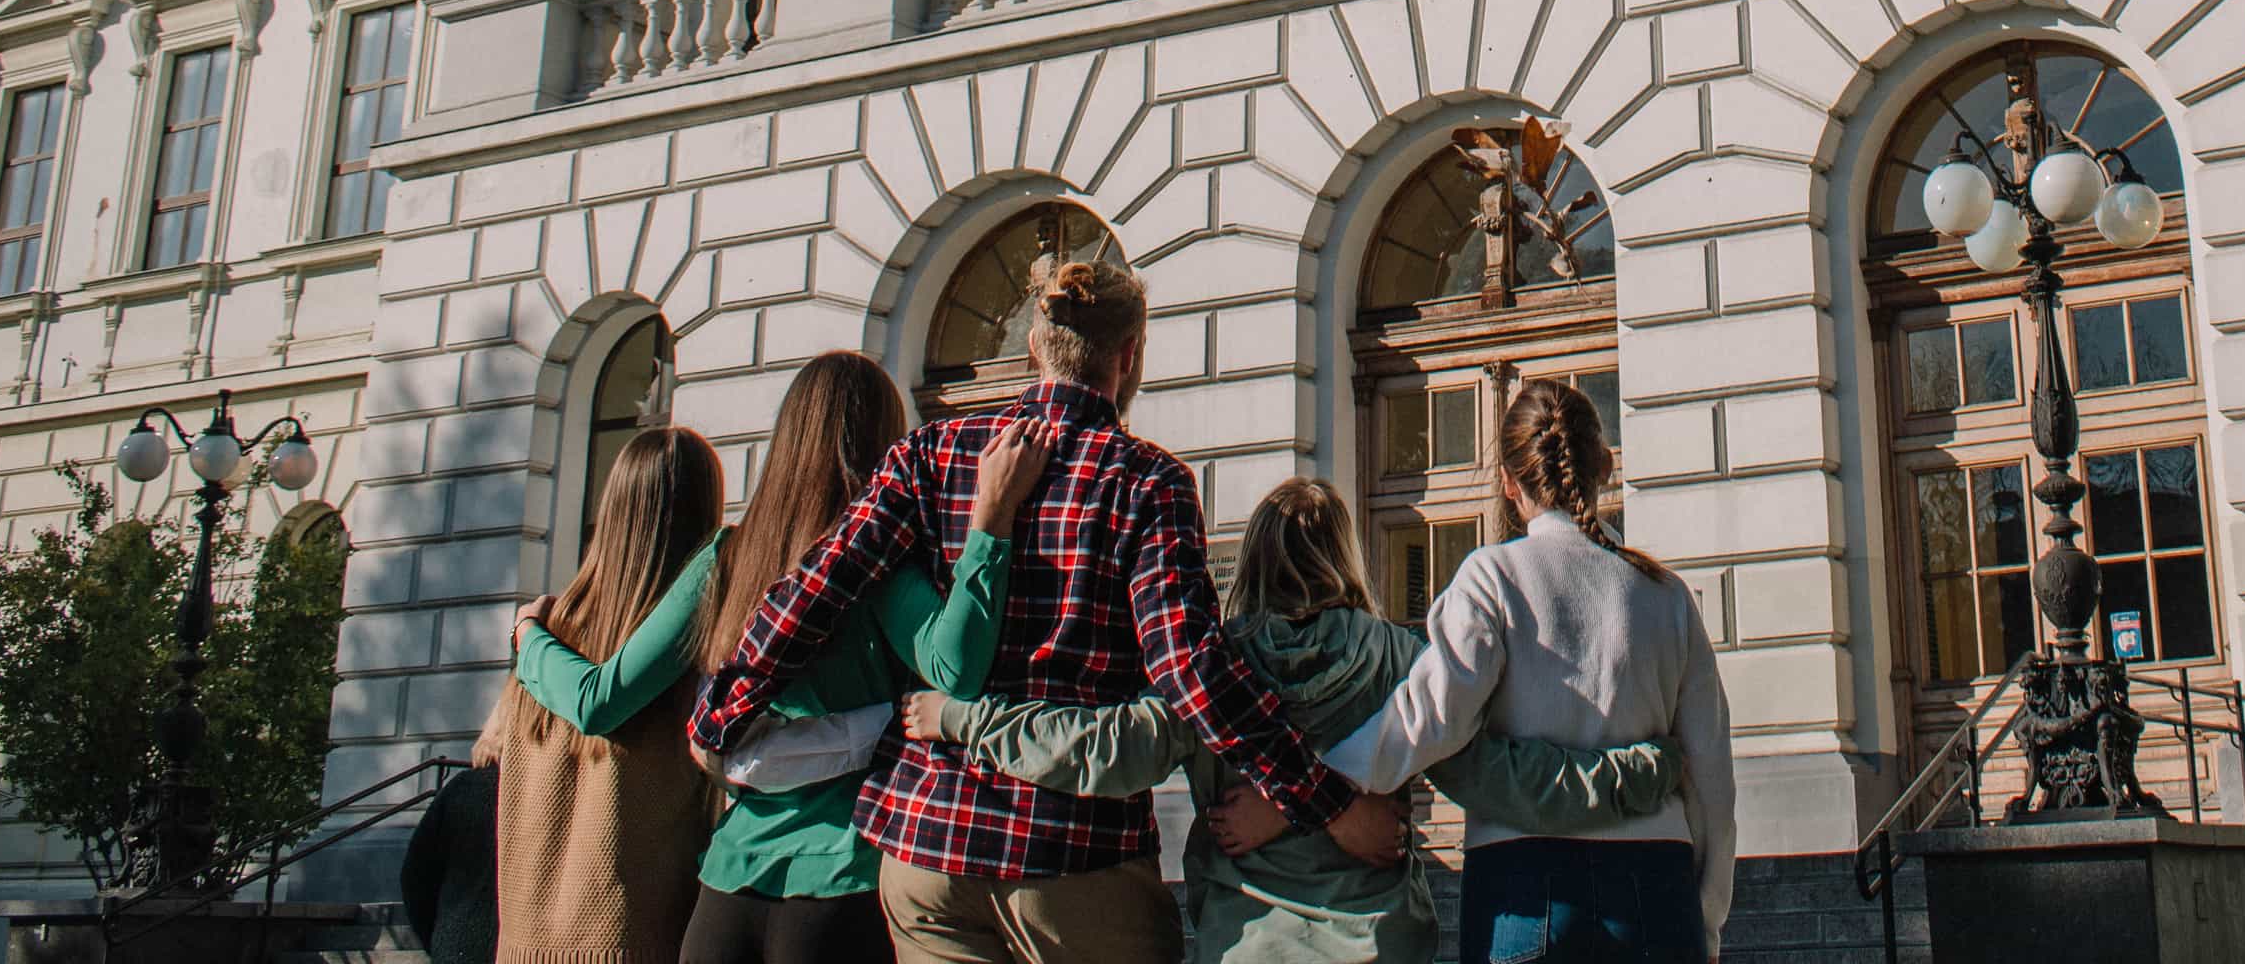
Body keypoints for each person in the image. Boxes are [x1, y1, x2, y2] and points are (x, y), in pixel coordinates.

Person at [692, 255, 1404, 964]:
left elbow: (818, 582)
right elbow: (1190, 670)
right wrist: (1328, 804)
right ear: (1129, 357)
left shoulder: (929, 454)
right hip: (1074, 852)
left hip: (930, 843)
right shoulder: (1148, 482)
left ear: (1034, 347)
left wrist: (723, 709)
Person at [906, 476, 1683, 963]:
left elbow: (1103, 750)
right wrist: (1641, 772)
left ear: (1254, 561)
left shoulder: (1212, 668)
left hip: (1245, 944)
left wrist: (962, 717)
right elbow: (1504, 778)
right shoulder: (1397, 659)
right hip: (1381, 944)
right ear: (1346, 555)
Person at [511, 352, 1050, 964]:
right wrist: (992, 522)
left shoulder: (728, 557)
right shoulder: (875, 561)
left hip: (727, 888)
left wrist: (529, 637)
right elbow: (957, 669)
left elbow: (598, 700)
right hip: (848, 876)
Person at [1243, 379, 1734, 964]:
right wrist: (1705, 918)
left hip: (1525, 885)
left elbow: (1426, 721)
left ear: (1507, 480)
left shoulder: (1491, 579)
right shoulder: (1667, 596)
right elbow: (1712, 779)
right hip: (1658, 879)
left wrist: (1305, 788)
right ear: (1604, 466)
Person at [472, 425, 725, 964]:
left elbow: (489, 756)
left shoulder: (544, 639)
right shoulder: (688, 651)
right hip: (633, 942)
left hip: (522, 945)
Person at [399, 760, 498, 964]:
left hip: (458, 941)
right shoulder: (552, 789)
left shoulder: (464, 787)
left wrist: (440, 935)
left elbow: (416, 876)